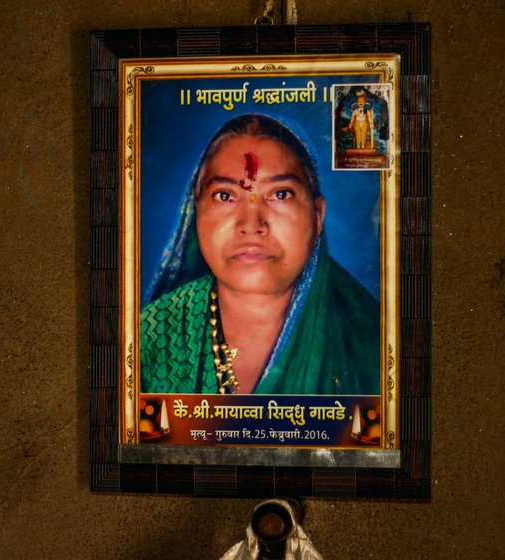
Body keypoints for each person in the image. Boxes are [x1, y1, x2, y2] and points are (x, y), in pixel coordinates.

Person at [140, 114, 380, 395]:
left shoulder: (371, 342)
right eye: (225, 196)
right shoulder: (154, 335)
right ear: (195, 213)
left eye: (280, 194)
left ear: (318, 216)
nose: (251, 225)